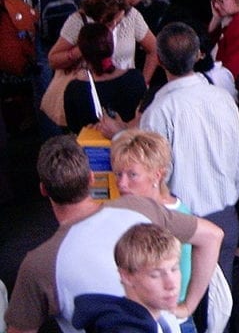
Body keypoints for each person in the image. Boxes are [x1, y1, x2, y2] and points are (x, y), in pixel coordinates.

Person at [4, 135, 223, 333]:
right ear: (91, 178)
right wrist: (187, 307)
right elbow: (212, 236)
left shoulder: (38, 264)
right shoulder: (139, 207)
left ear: (43, 189)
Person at [110, 131, 194, 308]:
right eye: (118, 174)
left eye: (132, 175)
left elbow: (181, 286)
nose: (122, 183)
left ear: (157, 175)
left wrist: (186, 308)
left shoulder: (176, 216)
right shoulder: (127, 208)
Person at [71, 223, 186, 333]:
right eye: (155, 275)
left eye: (174, 269)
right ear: (126, 276)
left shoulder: (150, 321)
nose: (171, 284)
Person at [49, 0, 158, 83]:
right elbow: (53, 60)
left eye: (119, 20)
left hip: (125, 90)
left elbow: (154, 49)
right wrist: (81, 49)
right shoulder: (78, 21)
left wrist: (143, 83)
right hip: (89, 90)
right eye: (109, 22)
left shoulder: (131, 16)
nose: (114, 25)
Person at [61, 22, 146, 133]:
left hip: (91, 149)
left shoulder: (75, 89)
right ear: (112, 45)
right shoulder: (135, 77)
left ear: (82, 52)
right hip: (130, 145)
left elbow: (74, 128)